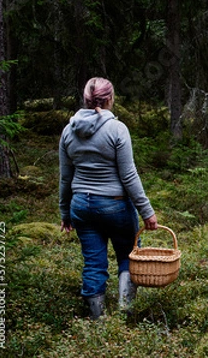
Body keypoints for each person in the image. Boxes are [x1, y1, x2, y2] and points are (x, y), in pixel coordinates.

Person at [59, 77, 158, 320]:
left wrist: (64, 213)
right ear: (110, 99)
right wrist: (147, 211)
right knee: (127, 255)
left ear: (86, 99)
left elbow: (65, 178)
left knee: (93, 263)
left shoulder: (68, 131)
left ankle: (97, 323)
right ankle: (125, 314)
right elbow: (129, 175)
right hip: (115, 205)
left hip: (81, 206)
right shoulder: (117, 129)